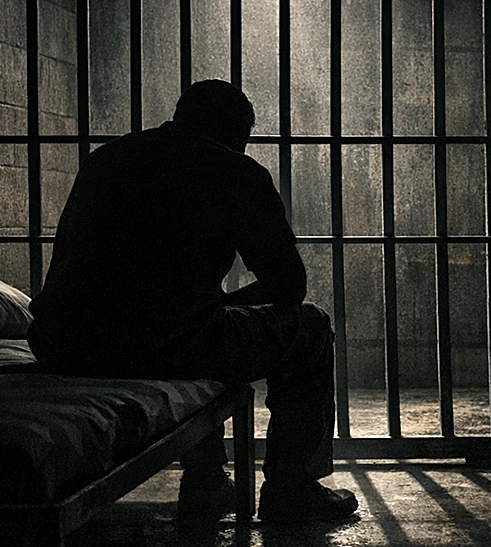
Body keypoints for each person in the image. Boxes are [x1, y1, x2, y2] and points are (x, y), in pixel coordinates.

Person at [27, 79, 358, 523]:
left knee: (193, 322)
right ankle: (291, 489)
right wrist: (222, 306)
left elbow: (67, 261)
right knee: (308, 328)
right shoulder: (235, 170)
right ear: (239, 132)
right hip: (154, 343)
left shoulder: (106, 159)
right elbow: (288, 286)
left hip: (63, 342)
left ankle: (207, 482)